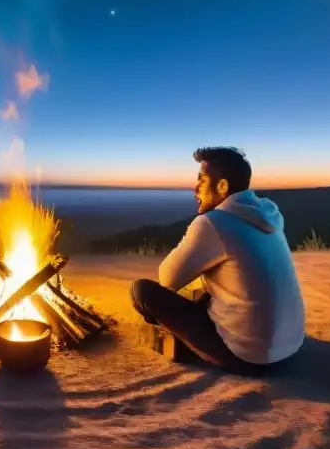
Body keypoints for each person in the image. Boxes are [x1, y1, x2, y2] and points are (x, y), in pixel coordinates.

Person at [130, 147, 305, 373]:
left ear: (222, 186)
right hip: (289, 349)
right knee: (203, 294)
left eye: (201, 180)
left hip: (249, 357)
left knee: (141, 291)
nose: (195, 189)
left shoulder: (214, 222)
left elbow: (167, 278)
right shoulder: (268, 213)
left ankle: (187, 345)